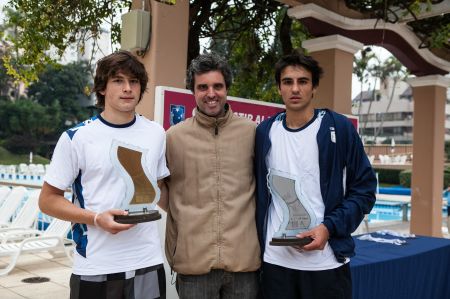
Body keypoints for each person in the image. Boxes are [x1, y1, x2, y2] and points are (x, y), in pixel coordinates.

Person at [39, 51, 169, 299]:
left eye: (134, 82)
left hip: (147, 260)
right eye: (118, 81)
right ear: (102, 88)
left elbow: (159, 187)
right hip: (96, 264)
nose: (128, 88)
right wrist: (97, 218)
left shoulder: (156, 133)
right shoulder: (76, 138)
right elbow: (47, 200)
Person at [254, 52, 377, 299]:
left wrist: (329, 228)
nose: (295, 88)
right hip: (275, 263)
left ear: (314, 87)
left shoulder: (339, 129)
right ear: (279, 88)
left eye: (303, 81)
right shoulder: (265, 132)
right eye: (288, 82)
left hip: (325, 263)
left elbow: (364, 191)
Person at [159, 52, 260, 299]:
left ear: (227, 89)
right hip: (193, 265)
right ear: (192, 91)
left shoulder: (252, 133)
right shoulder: (174, 137)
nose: (211, 93)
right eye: (202, 87)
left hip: (244, 264)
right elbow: (161, 192)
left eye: (218, 86)